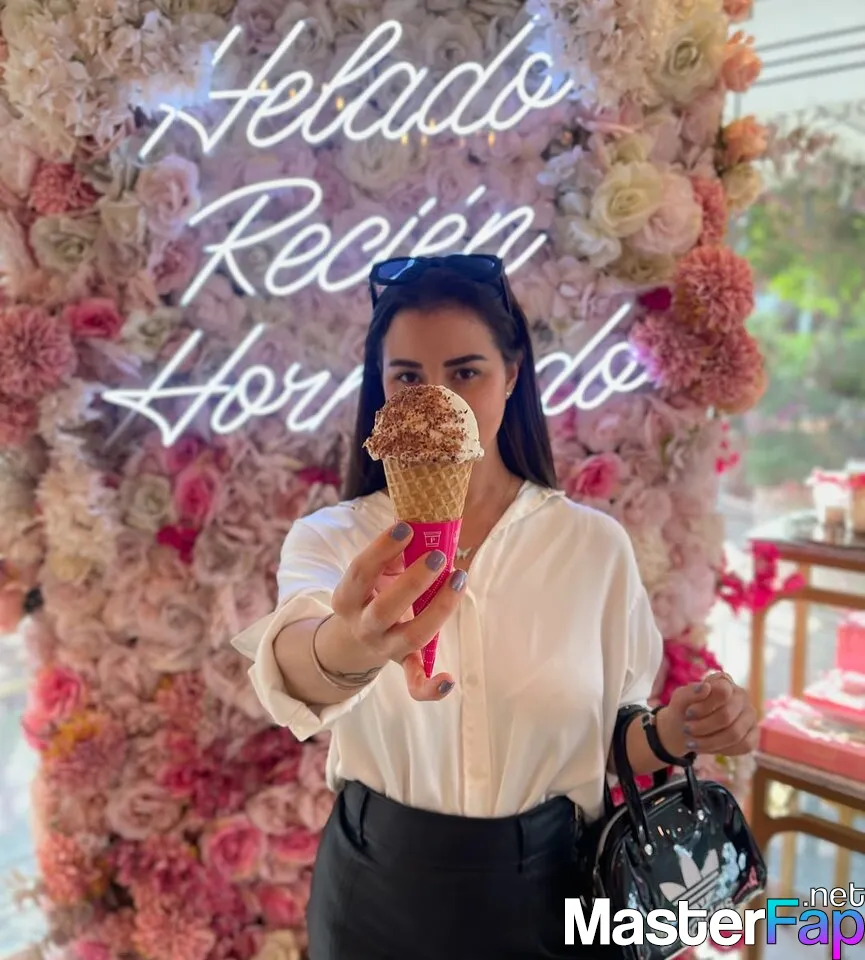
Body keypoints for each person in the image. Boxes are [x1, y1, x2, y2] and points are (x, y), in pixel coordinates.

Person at [232, 254, 758, 960]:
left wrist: (676, 729)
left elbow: (597, 746)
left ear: (512, 376)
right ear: (379, 390)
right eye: (407, 378)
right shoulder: (333, 540)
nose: (436, 402)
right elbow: (294, 662)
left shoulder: (591, 547)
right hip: (376, 894)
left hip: (548, 893)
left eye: (465, 373)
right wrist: (348, 647)